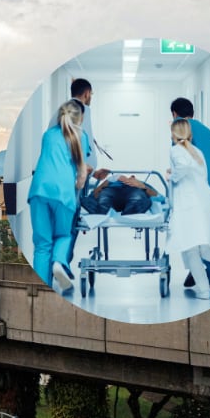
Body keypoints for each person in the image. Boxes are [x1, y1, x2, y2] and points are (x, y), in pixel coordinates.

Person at [167, 118, 210, 299]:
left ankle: (203, 291)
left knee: (190, 249)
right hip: (205, 200)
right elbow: (201, 175)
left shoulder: (176, 150)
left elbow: (182, 167)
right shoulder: (197, 152)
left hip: (189, 204)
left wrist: (171, 176)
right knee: (203, 247)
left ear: (174, 133)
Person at [28, 99, 88, 293]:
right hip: (63, 193)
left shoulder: (48, 135)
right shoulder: (81, 136)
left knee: (42, 244)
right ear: (80, 118)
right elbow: (82, 174)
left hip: (38, 190)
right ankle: (59, 263)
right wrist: (77, 187)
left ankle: (41, 290)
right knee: (63, 234)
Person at [81, 174, 159, 215]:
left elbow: (158, 197)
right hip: (111, 191)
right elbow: (93, 195)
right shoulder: (110, 183)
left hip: (134, 192)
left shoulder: (140, 183)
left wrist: (142, 186)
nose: (125, 178)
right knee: (104, 199)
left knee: (137, 198)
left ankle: (132, 211)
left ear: (133, 177)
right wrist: (106, 182)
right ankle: (100, 210)